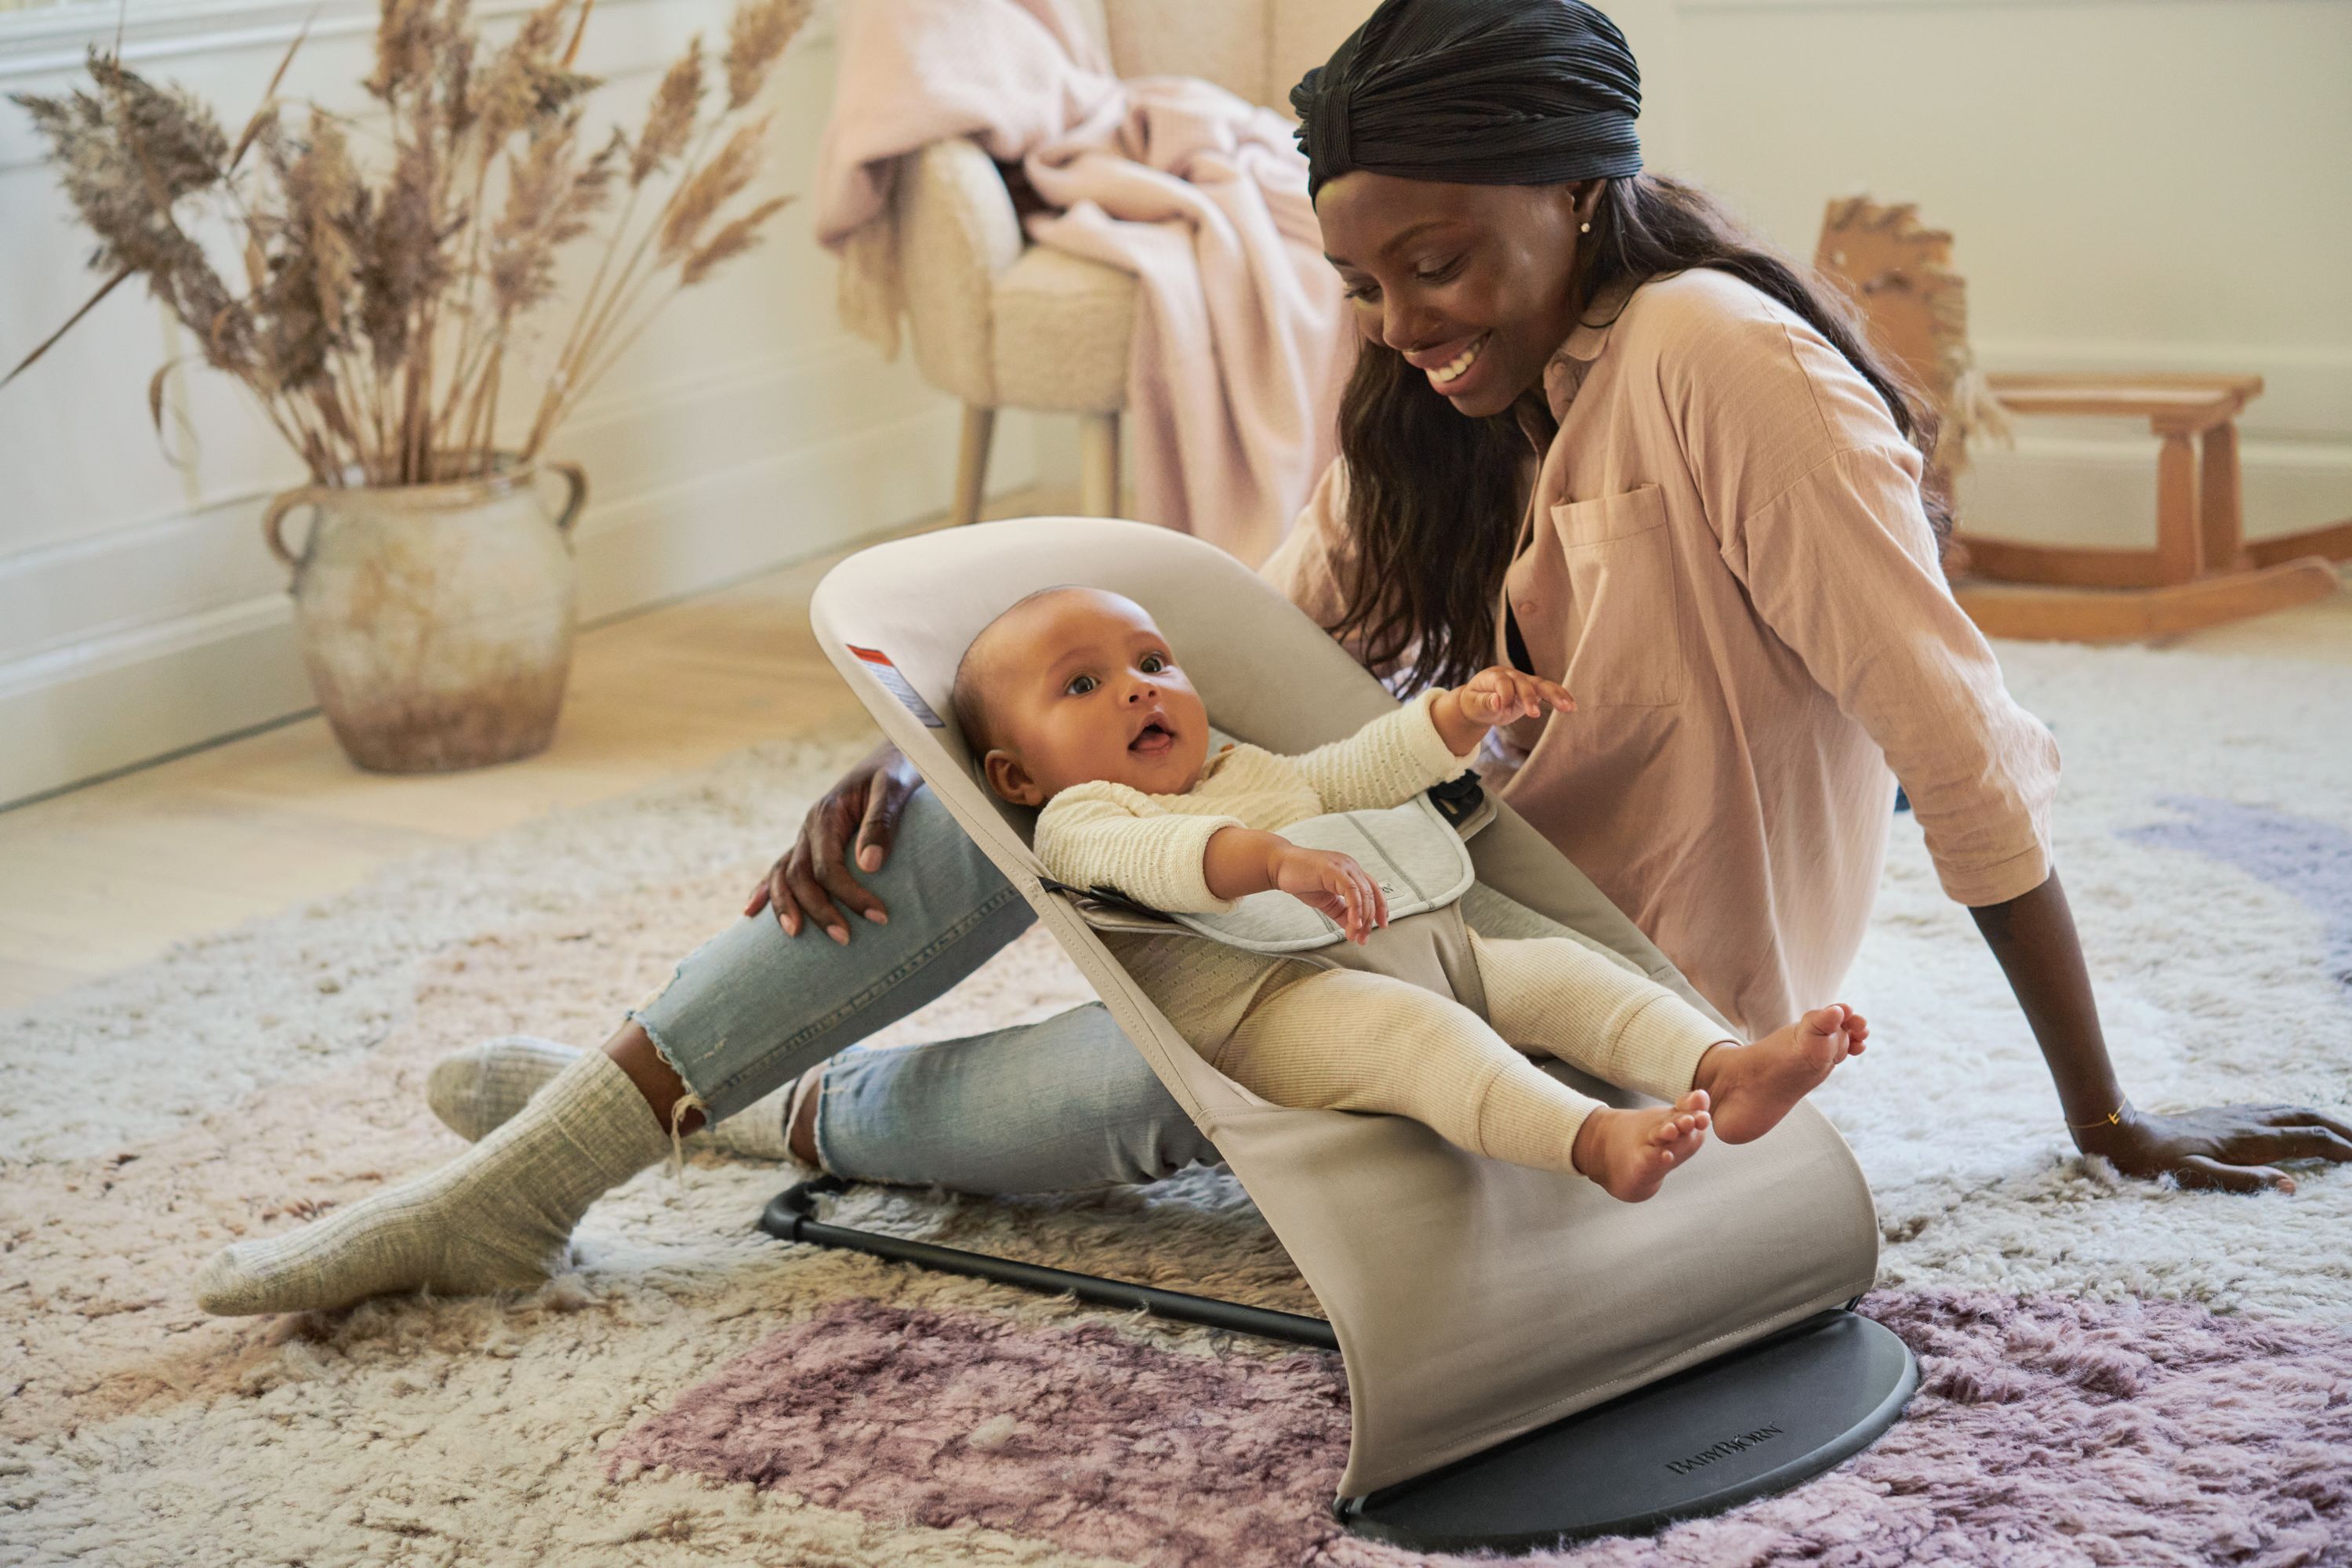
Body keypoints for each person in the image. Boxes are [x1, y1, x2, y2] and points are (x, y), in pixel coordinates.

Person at [196, 0, 2351, 1317]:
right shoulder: (1427, 386)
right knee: (1041, 797)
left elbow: (1956, 736)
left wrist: (2109, 1110)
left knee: (1144, 1094)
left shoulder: (1720, 358)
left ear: (1583, 195)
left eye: (1445, 261)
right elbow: (1234, 649)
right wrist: (948, 754)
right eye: (1364, 276)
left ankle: (676, 1127)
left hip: (1629, 1003)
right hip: (1404, 908)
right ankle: (561, 1167)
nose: (1409, 316)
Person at [957, 583, 1869, 1200]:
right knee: (1425, 1037)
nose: (1135, 690)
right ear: (1016, 774)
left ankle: (1727, 1068)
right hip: (1271, 1008)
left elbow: (1354, 769)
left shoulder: (1239, 764)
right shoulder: (1078, 816)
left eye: (1153, 663)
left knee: (1563, 970)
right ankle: (1591, 1142)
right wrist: (1271, 859)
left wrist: (1455, 717)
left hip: (1425, 951)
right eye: (1083, 683)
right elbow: (1163, 861)